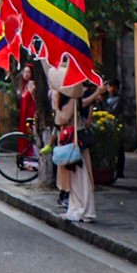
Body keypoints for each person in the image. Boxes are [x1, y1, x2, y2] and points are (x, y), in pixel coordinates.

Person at [52, 82, 96, 223]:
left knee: (80, 178)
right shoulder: (70, 98)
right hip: (71, 141)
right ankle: (76, 208)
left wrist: (56, 109)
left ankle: (83, 210)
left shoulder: (71, 99)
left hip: (74, 141)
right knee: (74, 179)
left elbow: (63, 118)